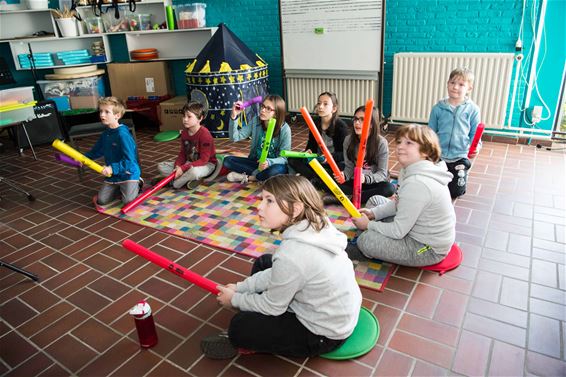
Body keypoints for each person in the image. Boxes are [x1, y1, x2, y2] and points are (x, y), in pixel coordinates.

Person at [200, 175, 362, 359]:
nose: (260, 206)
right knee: (265, 262)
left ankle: (252, 338)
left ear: (295, 209)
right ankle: (264, 312)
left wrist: (235, 300)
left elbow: (273, 304)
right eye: (262, 199)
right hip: (335, 311)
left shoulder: (293, 254)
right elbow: (280, 272)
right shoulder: (316, 223)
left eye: (269, 201)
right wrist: (240, 288)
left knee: (239, 327)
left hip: (324, 333)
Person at [348, 124, 455, 267]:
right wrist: (373, 214)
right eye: (399, 142)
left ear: (426, 151)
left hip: (426, 248)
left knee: (366, 240)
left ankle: (363, 245)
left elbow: (398, 231)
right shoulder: (409, 169)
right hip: (411, 228)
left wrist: (369, 225)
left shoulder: (418, 184)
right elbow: (399, 203)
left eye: (409, 143)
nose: (400, 146)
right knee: (375, 201)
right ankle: (371, 231)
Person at [428, 67, 481, 198]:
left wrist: (477, 147)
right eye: (452, 82)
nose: (455, 87)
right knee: (434, 188)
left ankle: (461, 173)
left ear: (469, 88)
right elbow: (430, 132)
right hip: (439, 155)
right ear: (447, 83)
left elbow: (475, 133)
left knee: (456, 192)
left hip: (460, 155)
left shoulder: (473, 109)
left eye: (461, 84)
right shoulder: (438, 108)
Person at [325, 105, 395, 204]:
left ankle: (344, 199)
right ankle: (353, 195)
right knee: (329, 178)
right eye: (355, 119)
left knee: (388, 188)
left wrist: (365, 179)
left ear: (371, 124)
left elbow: (382, 174)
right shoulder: (348, 140)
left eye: (362, 120)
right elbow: (349, 168)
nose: (357, 123)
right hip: (354, 181)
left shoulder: (381, 143)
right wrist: (344, 175)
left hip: (373, 182)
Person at [85, 96, 142, 205]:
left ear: (117, 115)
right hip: (114, 175)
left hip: (128, 173)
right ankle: (121, 187)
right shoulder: (106, 133)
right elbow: (96, 151)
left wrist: (112, 168)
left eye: (107, 112)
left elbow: (129, 161)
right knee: (101, 200)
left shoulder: (123, 135)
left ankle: (137, 183)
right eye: (101, 111)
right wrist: (83, 158)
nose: (102, 115)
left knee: (128, 201)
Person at [223, 95, 291, 183]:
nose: (262, 110)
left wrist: (268, 162)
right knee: (227, 161)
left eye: (268, 108)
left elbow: (284, 158)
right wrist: (234, 116)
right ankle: (261, 176)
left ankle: (250, 178)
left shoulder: (285, 129)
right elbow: (234, 137)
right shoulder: (256, 121)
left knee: (277, 170)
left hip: (273, 164)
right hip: (256, 162)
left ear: (277, 113)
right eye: (262, 106)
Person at [155, 101, 217, 189]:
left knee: (193, 172)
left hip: (206, 165)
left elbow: (204, 160)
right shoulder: (184, 133)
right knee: (161, 166)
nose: (185, 119)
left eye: (189, 116)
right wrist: (178, 166)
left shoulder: (205, 134)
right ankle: (189, 180)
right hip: (189, 163)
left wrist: (183, 168)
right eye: (184, 116)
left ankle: (174, 183)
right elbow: (183, 153)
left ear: (200, 118)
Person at [288, 92, 348, 178]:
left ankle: (314, 177)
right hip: (317, 160)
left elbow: (344, 154)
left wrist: (330, 157)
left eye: (325, 104)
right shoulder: (315, 123)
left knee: (343, 166)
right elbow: (311, 144)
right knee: (292, 159)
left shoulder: (341, 127)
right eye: (319, 103)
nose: (320, 106)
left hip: (333, 162)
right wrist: (308, 151)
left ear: (334, 109)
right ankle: (317, 178)